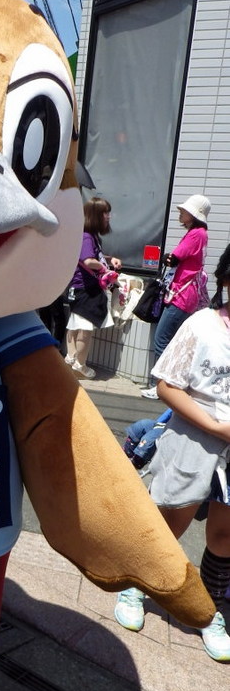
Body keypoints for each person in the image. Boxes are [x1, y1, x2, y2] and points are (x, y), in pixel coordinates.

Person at [114, 244, 230, 661]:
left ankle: (209, 610)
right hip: (193, 439)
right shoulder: (202, 325)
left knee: (225, 535)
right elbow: (166, 385)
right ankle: (135, 585)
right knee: (169, 520)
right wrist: (215, 426)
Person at [141, 194, 210, 399]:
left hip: (182, 296)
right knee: (170, 340)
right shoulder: (200, 234)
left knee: (162, 339)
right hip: (185, 295)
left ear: (194, 214)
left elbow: (175, 257)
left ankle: (160, 387)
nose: (180, 212)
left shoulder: (196, 234)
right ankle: (168, 386)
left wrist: (167, 257)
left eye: (184, 210)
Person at [65, 196, 122, 379]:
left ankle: (71, 359)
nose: (108, 216)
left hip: (79, 288)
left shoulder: (88, 235)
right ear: (95, 215)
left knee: (75, 325)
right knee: (85, 329)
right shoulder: (87, 236)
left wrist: (109, 259)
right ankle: (79, 366)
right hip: (86, 289)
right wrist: (104, 268)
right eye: (105, 213)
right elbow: (88, 260)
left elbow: (91, 256)